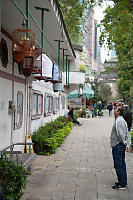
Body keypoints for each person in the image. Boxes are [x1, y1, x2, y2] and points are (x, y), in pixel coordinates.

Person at [110, 107, 131, 190]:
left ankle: (122, 184)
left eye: (115, 110)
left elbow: (121, 134)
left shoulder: (119, 121)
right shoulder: (122, 121)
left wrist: (125, 143)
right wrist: (127, 144)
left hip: (118, 145)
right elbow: (127, 133)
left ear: (118, 112)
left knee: (119, 165)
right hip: (119, 145)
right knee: (121, 164)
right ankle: (122, 181)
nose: (114, 111)